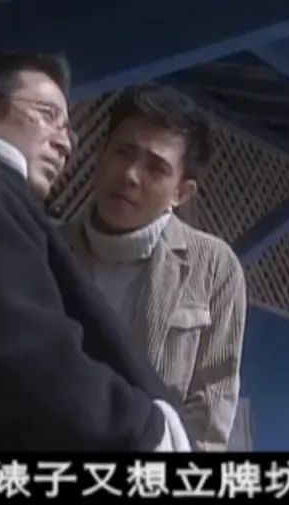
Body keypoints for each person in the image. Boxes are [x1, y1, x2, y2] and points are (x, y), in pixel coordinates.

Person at [0, 51, 192, 452]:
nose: (64, 143)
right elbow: (24, 353)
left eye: (68, 129)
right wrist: (144, 429)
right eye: (47, 114)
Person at [63, 84, 247, 451]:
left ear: (182, 192)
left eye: (156, 167)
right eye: (123, 152)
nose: (131, 175)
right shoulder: (47, 248)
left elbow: (210, 411)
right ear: (100, 154)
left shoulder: (214, 267)